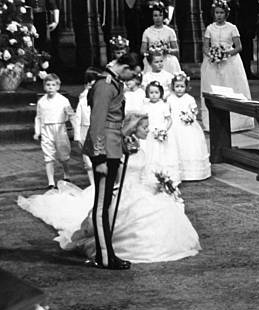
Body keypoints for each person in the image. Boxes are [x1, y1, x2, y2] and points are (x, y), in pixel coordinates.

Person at [19, 113, 201, 264]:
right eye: (144, 127)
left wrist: (159, 184)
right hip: (124, 190)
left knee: (162, 209)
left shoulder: (141, 148)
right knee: (123, 215)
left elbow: (143, 174)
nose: (148, 130)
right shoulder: (121, 150)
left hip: (141, 188)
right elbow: (116, 176)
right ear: (134, 128)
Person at [82, 52, 139, 270]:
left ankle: (108, 253)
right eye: (131, 74)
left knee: (106, 204)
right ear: (124, 67)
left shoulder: (113, 82)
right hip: (105, 150)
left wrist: (123, 140)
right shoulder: (105, 85)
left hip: (113, 146)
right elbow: (97, 122)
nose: (130, 79)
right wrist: (99, 157)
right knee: (101, 206)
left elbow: (114, 121)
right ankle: (104, 257)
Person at [200, 0, 254, 132]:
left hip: (230, 62)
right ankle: (213, 122)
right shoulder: (210, 28)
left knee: (231, 87)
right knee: (214, 88)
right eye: (216, 13)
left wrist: (226, 54)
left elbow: (239, 47)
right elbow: (205, 47)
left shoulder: (232, 27)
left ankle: (237, 122)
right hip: (213, 62)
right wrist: (212, 55)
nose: (219, 15)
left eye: (221, 13)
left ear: (226, 14)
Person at [34, 73, 75, 189]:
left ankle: (66, 174)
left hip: (60, 129)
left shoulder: (63, 100)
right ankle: (51, 182)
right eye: (48, 85)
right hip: (46, 129)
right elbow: (38, 117)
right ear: (44, 86)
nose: (50, 87)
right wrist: (38, 132)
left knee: (63, 155)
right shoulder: (41, 101)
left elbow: (71, 114)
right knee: (48, 156)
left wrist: (75, 129)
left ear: (58, 87)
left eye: (53, 85)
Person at [167, 72, 211, 181]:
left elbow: (194, 110)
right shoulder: (170, 98)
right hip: (174, 125)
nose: (179, 89)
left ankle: (192, 172)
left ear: (186, 87)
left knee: (190, 145)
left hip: (187, 125)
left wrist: (191, 116)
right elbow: (167, 112)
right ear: (173, 87)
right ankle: (177, 171)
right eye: (177, 86)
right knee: (175, 144)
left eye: (182, 86)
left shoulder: (189, 98)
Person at [142, 81, 181, 184]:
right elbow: (143, 119)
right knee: (150, 154)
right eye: (151, 92)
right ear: (147, 94)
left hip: (161, 131)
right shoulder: (145, 105)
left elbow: (169, 120)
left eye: (156, 92)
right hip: (150, 132)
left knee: (162, 153)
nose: (154, 95)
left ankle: (165, 176)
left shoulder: (163, 105)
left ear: (161, 93)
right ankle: (151, 177)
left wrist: (164, 130)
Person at [74, 68, 100, 189]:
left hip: (98, 130)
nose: (90, 85)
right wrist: (77, 136)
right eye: (88, 82)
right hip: (85, 129)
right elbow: (77, 117)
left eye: (93, 82)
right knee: (87, 160)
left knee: (98, 157)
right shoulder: (82, 99)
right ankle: (92, 184)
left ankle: (100, 181)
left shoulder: (101, 98)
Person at [141, 4, 181, 74]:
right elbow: (142, 51)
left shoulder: (170, 31)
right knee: (148, 61)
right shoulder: (147, 31)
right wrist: (151, 52)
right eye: (155, 16)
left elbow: (176, 50)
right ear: (152, 17)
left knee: (173, 60)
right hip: (153, 58)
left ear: (163, 16)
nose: (158, 18)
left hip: (166, 57)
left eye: (160, 15)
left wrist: (168, 50)